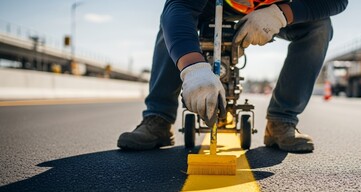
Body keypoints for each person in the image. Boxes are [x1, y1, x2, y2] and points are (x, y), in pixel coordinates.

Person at [117, 0, 348, 152]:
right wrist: (193, 68)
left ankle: (282, 120)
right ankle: (159, 118)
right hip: (213, 4)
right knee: (173, 23)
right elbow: (179, 7)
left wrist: (281, 15)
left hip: (274, 6)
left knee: (319, 27)